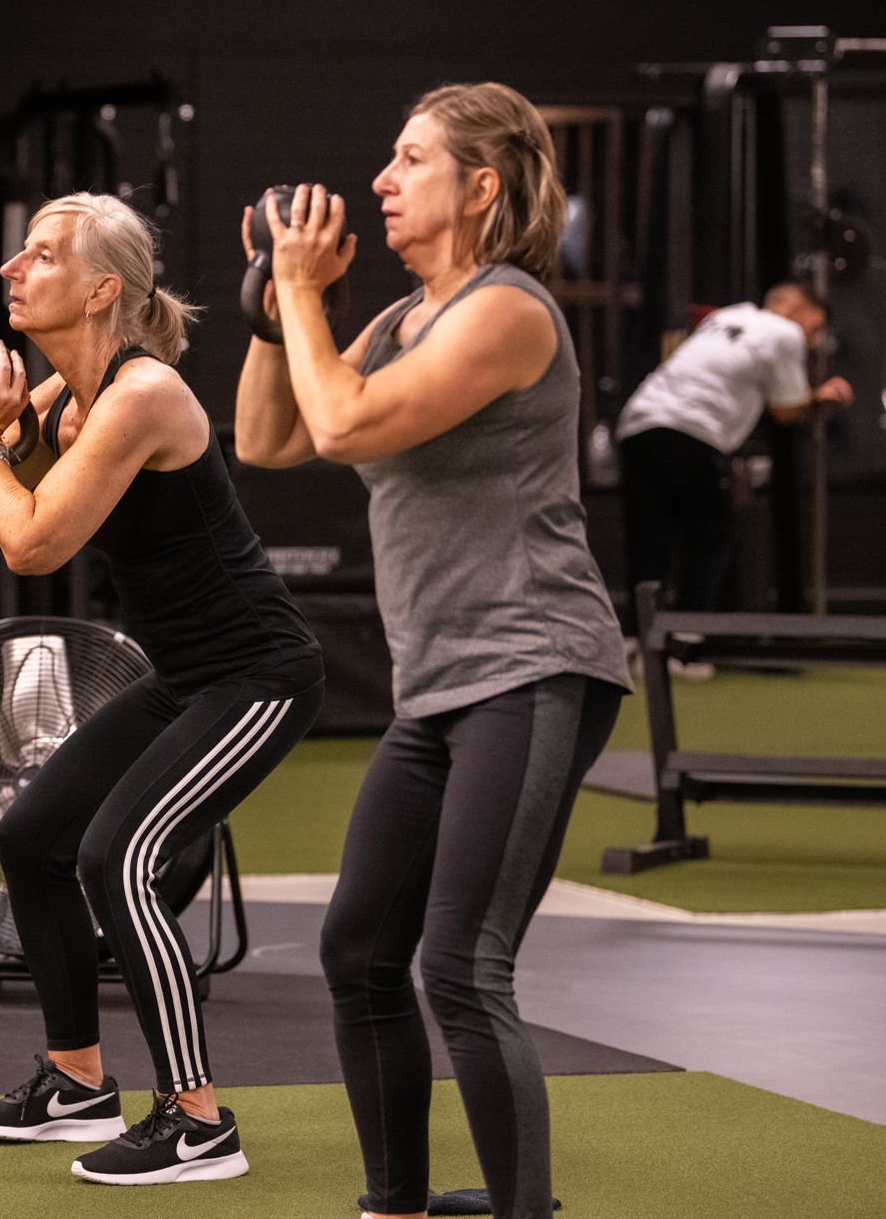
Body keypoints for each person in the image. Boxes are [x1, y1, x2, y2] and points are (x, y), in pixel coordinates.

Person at [232, 83, 631, 1219]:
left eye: (411, 160)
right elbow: (267, 437)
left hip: (534, 665)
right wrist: (276, 309)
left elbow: (346, 424)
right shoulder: (403, 320)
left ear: (481, 185)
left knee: (460, 964)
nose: (382, 181)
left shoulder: (509, 313)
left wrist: (302, 291)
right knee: (359, 951)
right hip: (438, 688)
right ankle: (394, 1205)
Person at [0, 191, 325, 1186]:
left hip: (258, 675)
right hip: (183, 677)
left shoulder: (144, 393)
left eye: (42, 255)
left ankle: (198, 1122)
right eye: (19, 253)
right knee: (33, 837)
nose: (12, 269)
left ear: (102, 290)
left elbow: (31, 542)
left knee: (120, 855)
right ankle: (75, 1081)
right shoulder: (62, 398)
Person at [615, 284, 853, 614]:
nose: (815, 341)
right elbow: (785, 411)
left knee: (651, 538)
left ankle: (644, 634)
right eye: (816, 328)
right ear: (798, 308)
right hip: (690, 428)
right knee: (712, 535)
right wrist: (820, 395)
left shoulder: (728, 316)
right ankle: (687, 633)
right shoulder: (784, 332)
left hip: (637, 423)